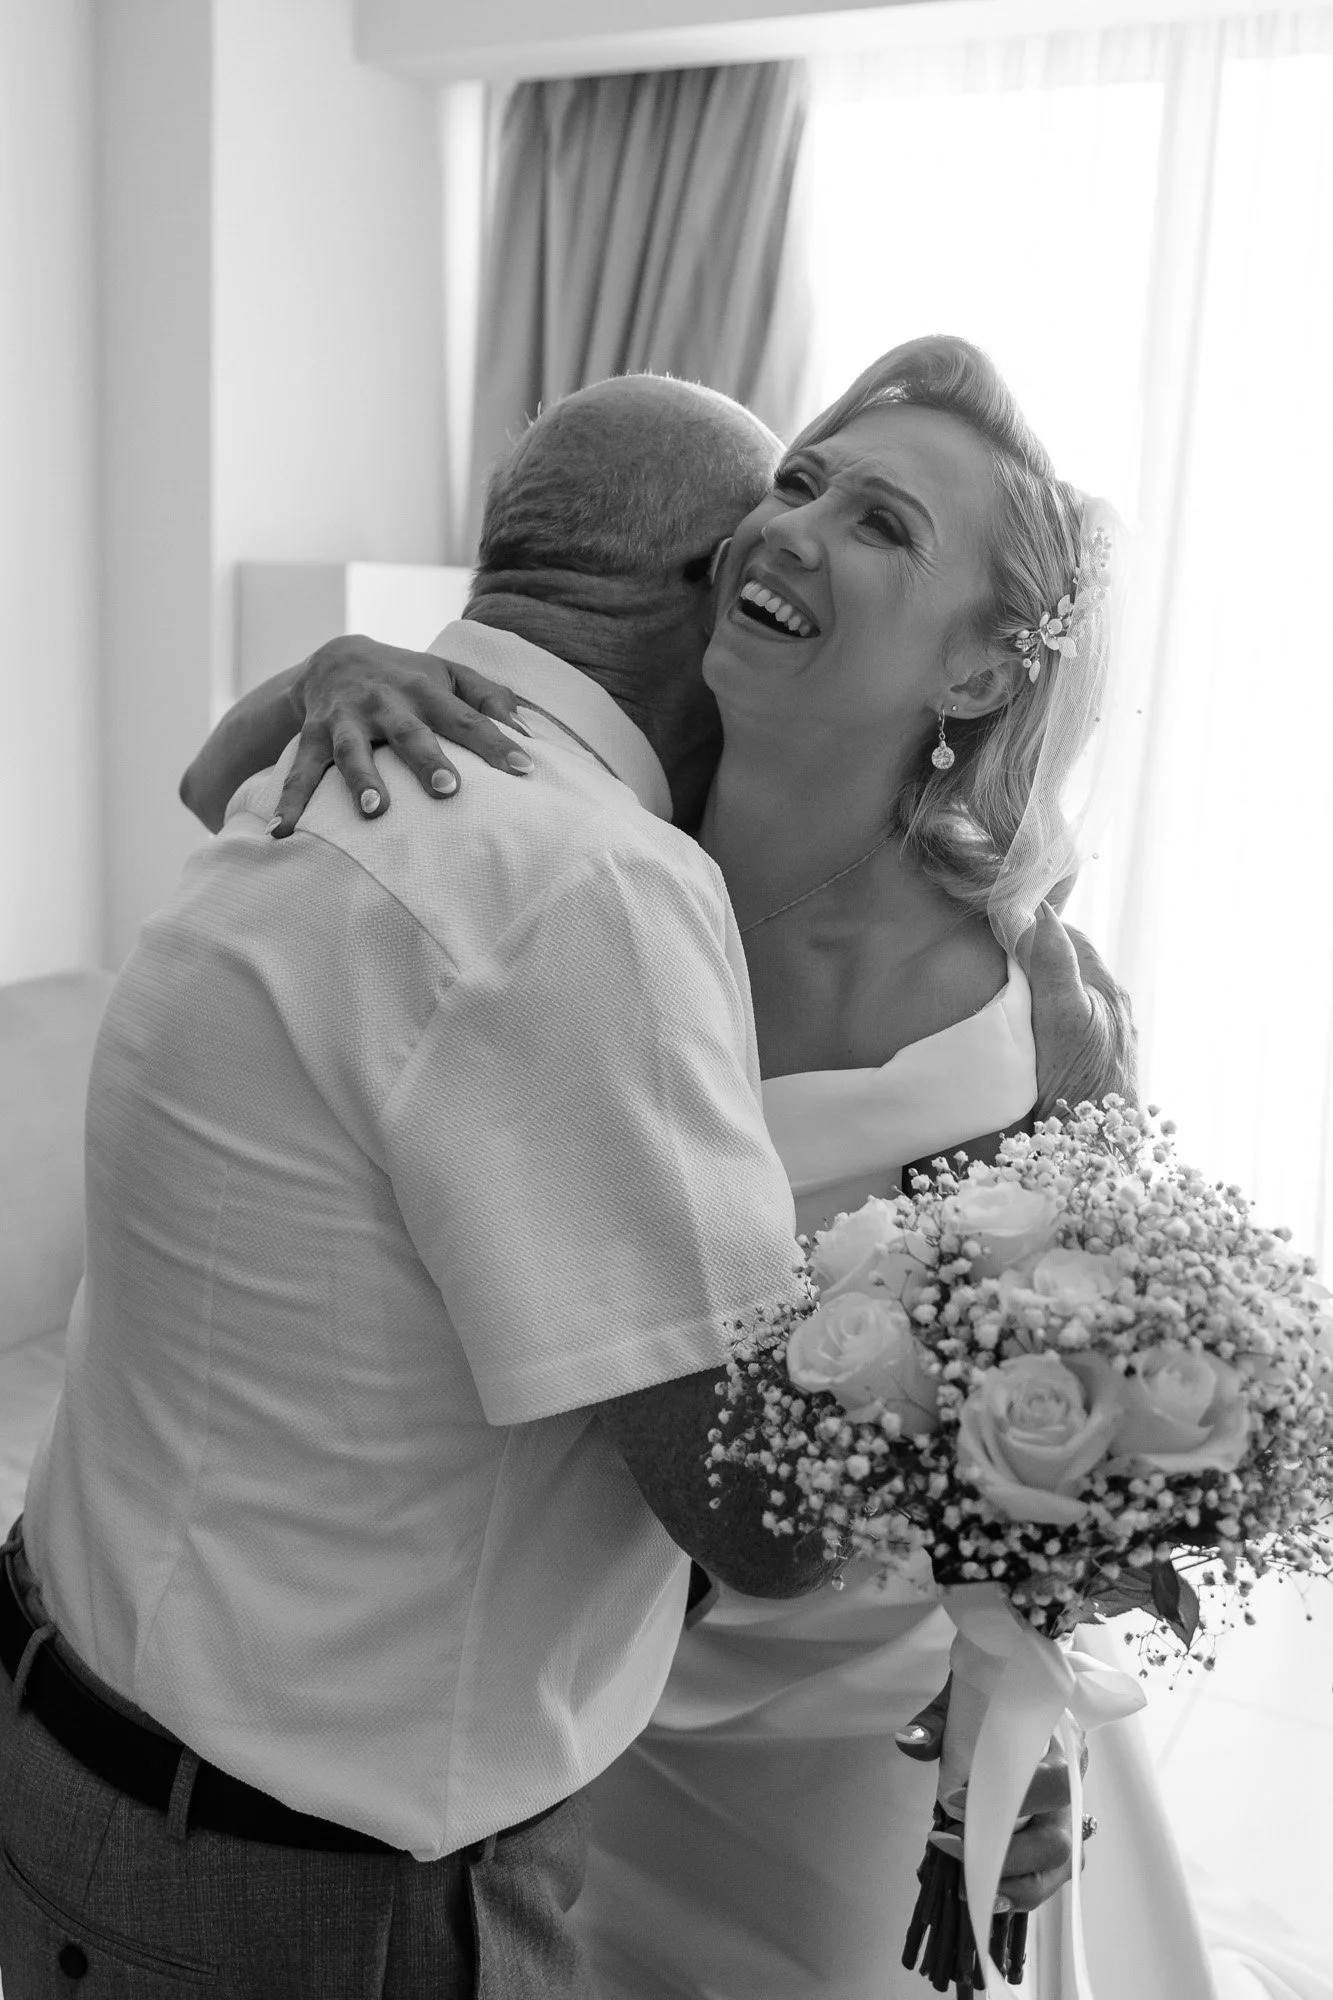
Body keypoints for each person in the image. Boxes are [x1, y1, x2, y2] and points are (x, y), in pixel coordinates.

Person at [0, 371, 1076, 2000]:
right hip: (421, 1775)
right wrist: (344, 664)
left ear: (984, 667)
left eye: (874, 520)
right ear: (705, 580)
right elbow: (747, 1508)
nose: (793, 532)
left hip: (784, 1697)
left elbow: (1065, 1343)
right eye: (794, 486)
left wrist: (1024, 1661)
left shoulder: (1016, 992)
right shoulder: (575, 864)